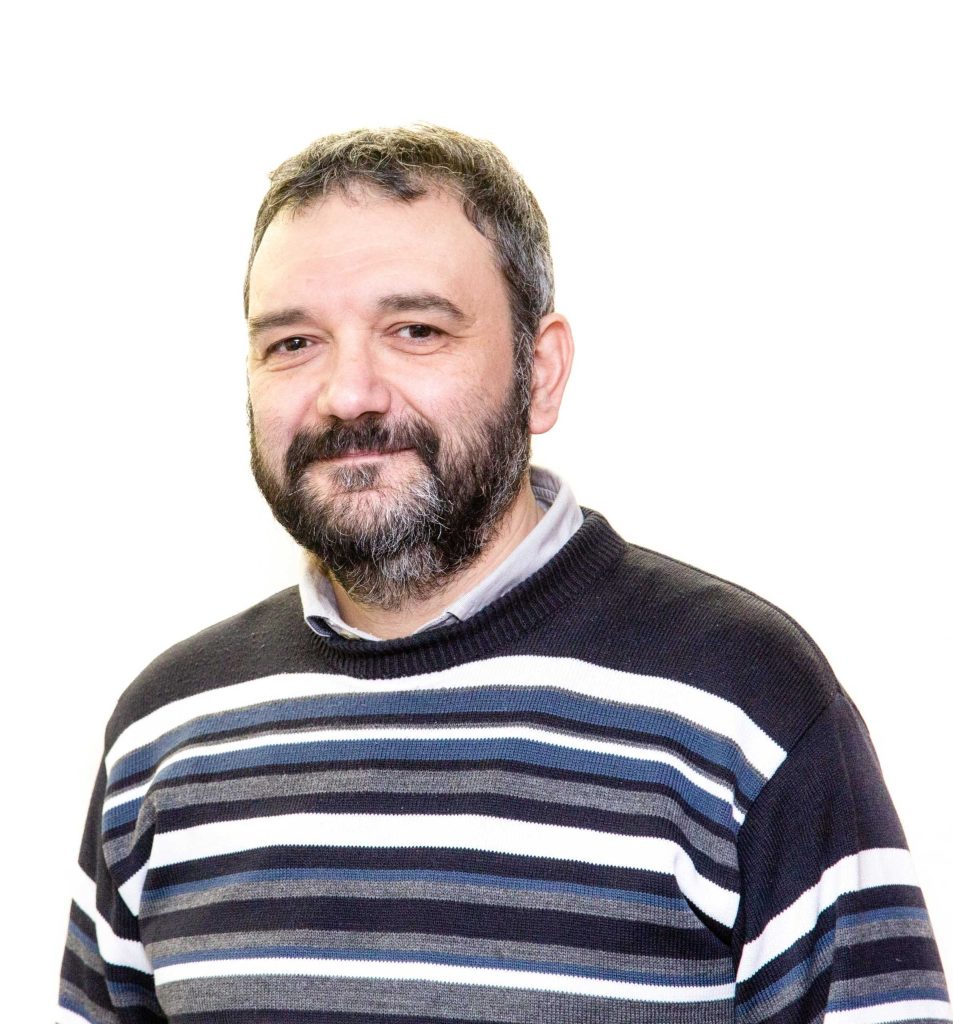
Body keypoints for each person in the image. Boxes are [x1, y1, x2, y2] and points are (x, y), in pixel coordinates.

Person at [58, 125, 949, 1024]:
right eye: (292, 343)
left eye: (415, 330)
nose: (348, 393)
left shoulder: (743, 707)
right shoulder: (161, 740)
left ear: (540, 372)